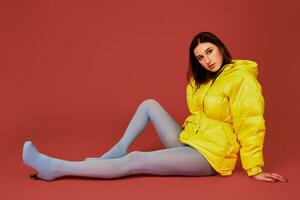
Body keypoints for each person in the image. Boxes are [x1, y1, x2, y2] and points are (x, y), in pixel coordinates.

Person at [22, 31, 288, 183]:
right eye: (199, 57)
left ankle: (56, 167)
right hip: (192, 141)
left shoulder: (241, 79)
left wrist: (255, 168)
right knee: (149, 104)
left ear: (220, 47)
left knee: (137, 160)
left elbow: (251, 121)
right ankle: (116, 150)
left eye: (209, 51)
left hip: (212, 155)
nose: (206, 60)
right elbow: (200, 114)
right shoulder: (203, 82)